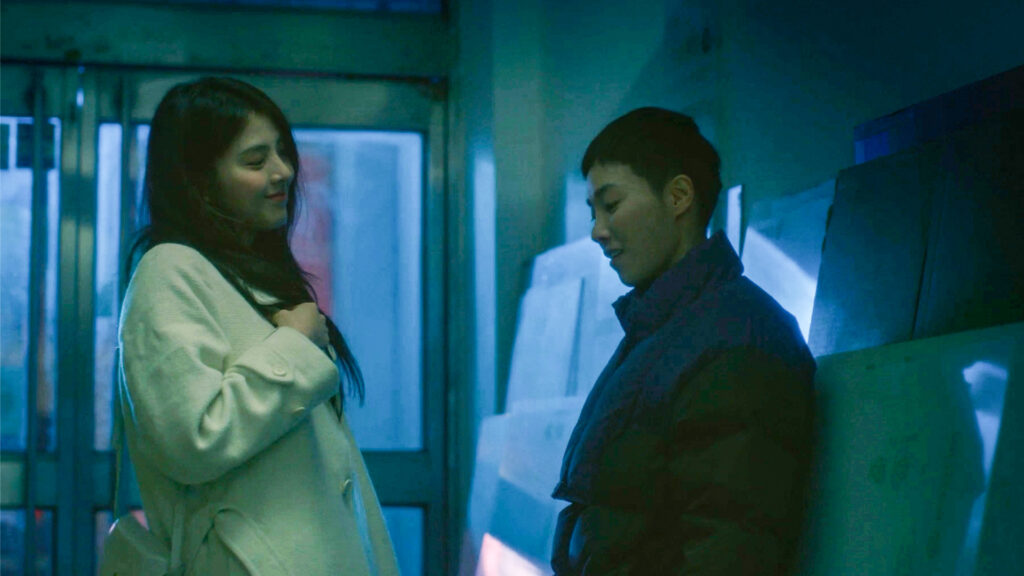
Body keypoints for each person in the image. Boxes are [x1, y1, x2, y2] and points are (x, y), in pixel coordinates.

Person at [110, 77, 399, 575]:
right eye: (255, 160)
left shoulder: (244, 275)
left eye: (282, 153)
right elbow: (192, 440)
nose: (283, 171)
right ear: (200, 180)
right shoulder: (169, 269)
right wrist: (295, 346)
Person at [551, 108, 816, 575]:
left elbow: (728, 549)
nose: (597, 231)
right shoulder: (664, 329)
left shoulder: (739, 339)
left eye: (611, 205)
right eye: (594, 212)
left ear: (678, 197)